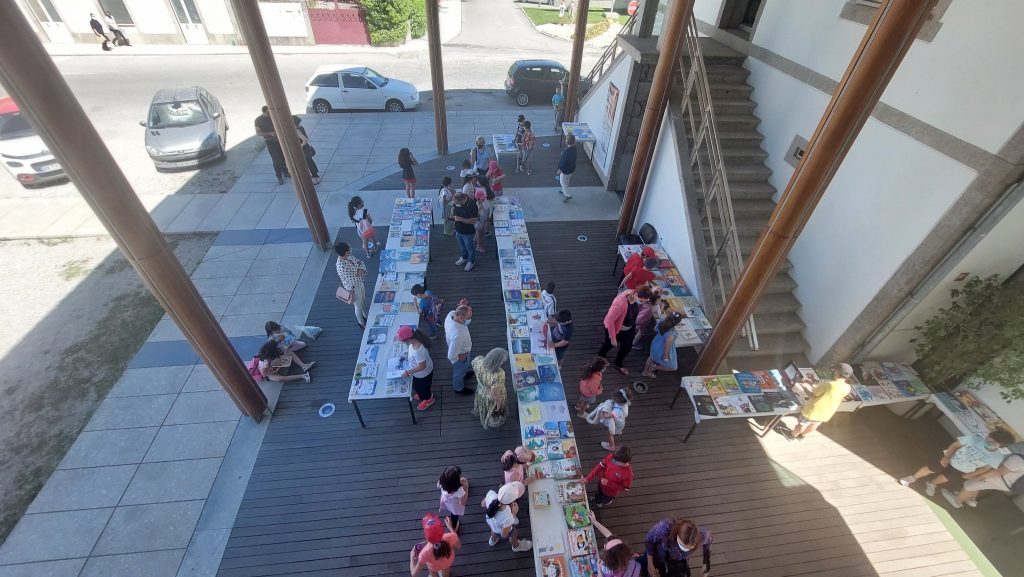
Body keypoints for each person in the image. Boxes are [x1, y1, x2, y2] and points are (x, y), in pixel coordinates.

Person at [898, 428, 1014, 502]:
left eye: (992, 442)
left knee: (946, 477)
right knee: (932, 468)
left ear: (1001, 446)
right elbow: (954, 445)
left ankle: (932, 483)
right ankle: (913, 477)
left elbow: (986, 468)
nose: (987, 441)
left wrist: (972, 474)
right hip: (949, 458)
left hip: (963, 469)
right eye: (988, 438)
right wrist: (946, 457)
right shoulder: (974, 439)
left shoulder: (997, 457)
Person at [789, 362, 855, 438]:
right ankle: (802, 436)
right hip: (826, 412)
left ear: (837, 372)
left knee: (802, 424)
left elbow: (812, 394)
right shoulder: (847, 387)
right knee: (814, 425)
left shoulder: (829, 385)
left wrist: (803, 387)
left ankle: (792, 435)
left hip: (813, 410)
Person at [598, 286, 653, 375]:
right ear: (636, 294)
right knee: (609, 344)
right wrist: (612, 337)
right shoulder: (621, 304)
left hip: (629, 327)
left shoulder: (634, 295)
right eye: (642, 301)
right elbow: (609, 320)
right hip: (615, 329)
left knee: (627, 347)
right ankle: (601, 355)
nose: (643, 303)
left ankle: (618, 363)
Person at [943, 452, 1024, 509]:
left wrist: (981, 476)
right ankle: (970, 499)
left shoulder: (1019, 459)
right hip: (1009, 485)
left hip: (998, 479)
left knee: (971, 485)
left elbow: (999, 472)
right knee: (980, 485)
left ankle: (957, 500)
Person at [644, 518, 712, 577]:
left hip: (679, 562)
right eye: (681, 545)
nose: (684, 550)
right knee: (645, 572)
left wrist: (706, 562)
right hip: (657, 557)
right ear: (677, 534)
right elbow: (649, 540)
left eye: (688, 548)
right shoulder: (663, 528)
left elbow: (709, 539)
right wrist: (650, 564)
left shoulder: (702, 535)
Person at [482, 482, 533, 552]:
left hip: (492, 524)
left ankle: (493, 540)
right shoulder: (508, 517)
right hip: (500, 529)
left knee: (494, 530)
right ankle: (517, 546)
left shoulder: (491, 494)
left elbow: (482, 504)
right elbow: (504, 534)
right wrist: (513, 515)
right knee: (514, 533)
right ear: (513, 501)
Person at [590, 512, 643, 577]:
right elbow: (608, 534)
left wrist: (599, 569)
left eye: (605, 546)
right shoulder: (631, 564)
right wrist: (594, 521)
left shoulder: (606, 570)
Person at [399, 325, 436, 411]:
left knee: (423, 387)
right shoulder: (415, 342)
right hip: (419, 373)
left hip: (423, 374)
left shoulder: (418, 350)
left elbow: (422, 366)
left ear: (408, 340)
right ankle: (421, 394)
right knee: (418, 386)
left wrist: (408, 372)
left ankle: (429, 399)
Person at [471, 348, 510, 429]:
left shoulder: (479, 360)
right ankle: (494, 421)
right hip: (492, 397)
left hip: (481, 391)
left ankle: (484, 417)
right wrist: (499, 403)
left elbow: (473, 364)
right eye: (502, 361)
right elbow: (494, 391)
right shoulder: (499, 374)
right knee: (493, 411)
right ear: (498, 362)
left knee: (483, 407)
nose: (502, 363)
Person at [334, 241, 369, 328]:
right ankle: (361, 323)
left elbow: (360, 263)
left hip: (359, 283)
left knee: (363, 301)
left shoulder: (348, 257)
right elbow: (357, 273)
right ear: (346, 252)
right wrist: (360, 269)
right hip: (353, 289)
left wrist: (360, 269)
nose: (350, 250)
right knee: (358, 306)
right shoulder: (341, 266)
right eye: (349, 249)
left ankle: (366, 316)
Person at [444, 303, 474, 395]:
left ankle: (464, 374)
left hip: (462, 350)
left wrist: (463, 305)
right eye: (468, 317)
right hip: (461, 355)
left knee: (463, 369)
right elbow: (451, 355)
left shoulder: (451, 314)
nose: (470, 320)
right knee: (458, 372)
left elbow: (458, 310)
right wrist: (458, 359)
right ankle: (459, 388)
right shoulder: (458, 335)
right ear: (461, 318)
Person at [642, 312, 683, 379]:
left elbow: (655, 329)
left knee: (651, 357)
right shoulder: (670, 336)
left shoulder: (661, 321)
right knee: (674, 367)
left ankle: (645, 371)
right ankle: (655, 367)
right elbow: (666, 347)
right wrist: (665, 358)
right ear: (676, 323)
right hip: (661, 350)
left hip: (656, 344)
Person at [255, 106, 289, 185]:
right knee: (276, 160)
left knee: (283, 157)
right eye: (268, 112)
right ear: (264, 112)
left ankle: (286, 172)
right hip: (270, 142)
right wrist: (270, 133)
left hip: (279, 141)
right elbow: (258, 133)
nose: (270, 114)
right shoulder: (259, 120)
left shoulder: (274, 116)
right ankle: (279, 177)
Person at [451, 193, 479, 272]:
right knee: (462, 246)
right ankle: (464, 258)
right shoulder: (456, 202)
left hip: (468, 232)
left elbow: (474, 221)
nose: (456, 205)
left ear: (463, 199)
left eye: (457, 203)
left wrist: (460, 219)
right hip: (458, 230)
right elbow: (454, 208)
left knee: (470, 248)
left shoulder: (472, 205)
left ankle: (471, 261)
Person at [437, 466, 470, 533]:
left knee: (452, 513)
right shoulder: (459, 491)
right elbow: (463, 503)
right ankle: (454, 527)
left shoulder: (441, 482)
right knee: (454, 516)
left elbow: (438, 485)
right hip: (454, 506)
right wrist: (466, 487)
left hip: (446, 501)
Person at [291, 116, 320, 185]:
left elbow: (305, 140)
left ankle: (315, 178)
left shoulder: (296, 130)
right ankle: (315, 176)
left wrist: (299, 147)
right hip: (306, 148)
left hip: (303, 149)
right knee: (310, 162)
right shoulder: (301, 127)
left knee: (308, 163)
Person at [557, 135, 578, 202]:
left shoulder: (567, 152)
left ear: (567, 142)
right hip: (571, 169)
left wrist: (560, 170)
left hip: (565, 170)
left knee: (562, 182)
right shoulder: (574, 149)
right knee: (566, 181)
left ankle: (568, 195)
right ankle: (563, 191)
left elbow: (564, 162)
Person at [474, 190, 491, 254]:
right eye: (483, 199)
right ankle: (478, 246)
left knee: (481, 233)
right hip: (478, 223)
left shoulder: (480, 203)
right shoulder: (477, 205)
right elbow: (476, 215)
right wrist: (479, 209)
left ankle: (477, 241)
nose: (484, 200)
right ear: (478, 199)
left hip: (482, 221)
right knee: (479, 234)